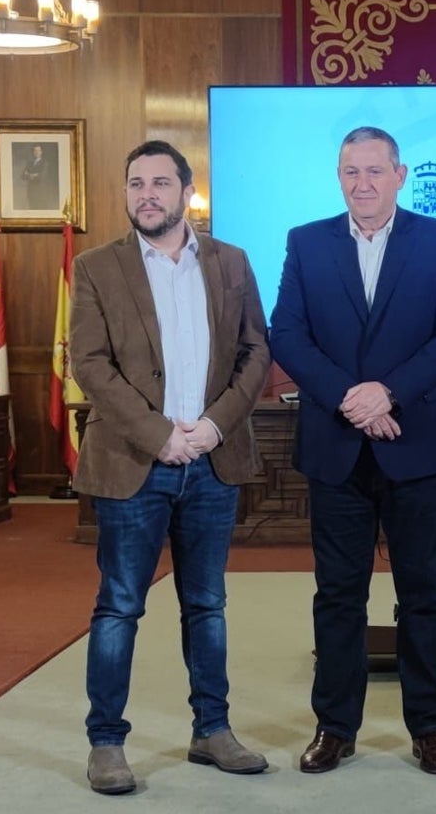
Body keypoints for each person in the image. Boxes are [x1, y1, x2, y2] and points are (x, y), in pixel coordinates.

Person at [269, 126, 436, 775]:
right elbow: (288, 335)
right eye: (350, 172)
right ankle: (335, 726)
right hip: (336, 447)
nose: (362, 183)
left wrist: (387, 393)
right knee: (337, 595)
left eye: (374, 171)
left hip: (417, 441)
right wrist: (349, 399)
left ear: (400, 174)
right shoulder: (306, 242)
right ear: (340, 177)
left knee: (425, 595)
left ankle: (431, 727)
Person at [69, 140, 271, 795]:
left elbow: (254, 352)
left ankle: (212, 731)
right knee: (120, 606)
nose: (147, 194)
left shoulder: (231, 263)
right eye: (135, 184)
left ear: (186, 191)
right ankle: (106, 743)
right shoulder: (97, 267)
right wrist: (160, 435)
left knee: (206, 604)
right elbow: (90, 364)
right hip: (136, 462)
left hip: (212, 462)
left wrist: (213, 426)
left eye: (160, 182)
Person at [20, 143, 57, 210]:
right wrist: (33, 175)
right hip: (31, 191)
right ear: (33, 152)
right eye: (35, 150)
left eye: (38, 150)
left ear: (41, 152)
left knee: (41, 210)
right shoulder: (29, 163)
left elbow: (41, 176)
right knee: (32, 210)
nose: (36, 152)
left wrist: (29, 174)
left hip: (40, 192)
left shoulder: (45, 163)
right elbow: (22, 176)